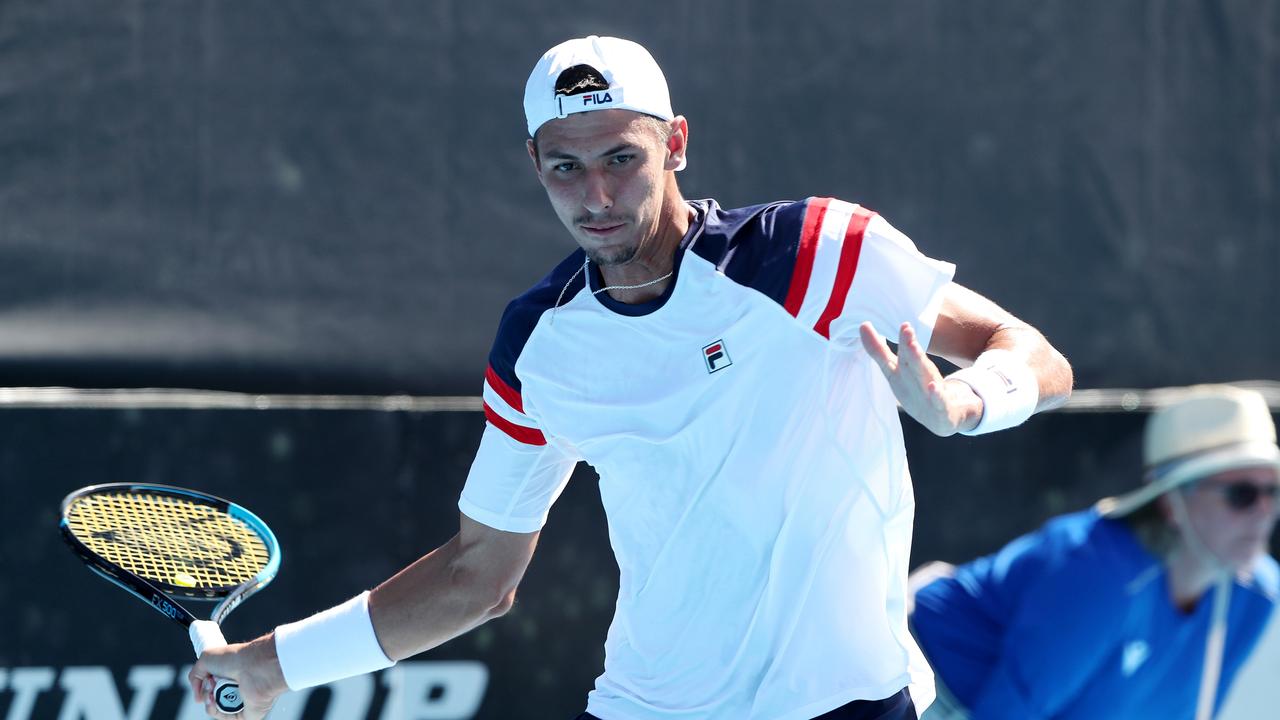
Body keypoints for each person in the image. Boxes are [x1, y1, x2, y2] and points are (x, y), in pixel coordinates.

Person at [188, 36, 1073, 720]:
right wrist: (269, 667)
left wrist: (962, 405)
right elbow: (477, 575)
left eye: (622, 158)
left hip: (850, 706)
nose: (597, 198)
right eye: (566, 168)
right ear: (535, 165)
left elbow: (1028, 349)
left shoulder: (812, 253)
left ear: (676, 144)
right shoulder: (540, 341)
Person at [909, 384, 1280, 720]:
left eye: (1273, 492)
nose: (1266, 513)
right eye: (1242, 495)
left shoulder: (1259, 592)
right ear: (1171, 503)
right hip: (917, 681)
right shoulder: (1099, 575)